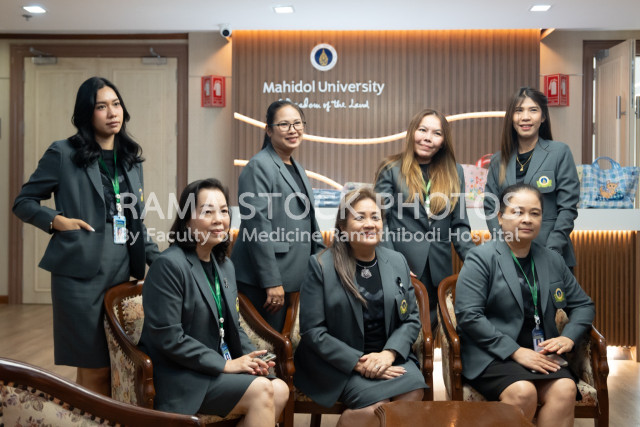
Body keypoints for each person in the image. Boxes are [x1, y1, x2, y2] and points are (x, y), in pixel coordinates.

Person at [13, 76, 160, 395]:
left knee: (114, 365)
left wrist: (162, 261)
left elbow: (135, 223)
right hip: (79, 278)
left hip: (120, 274)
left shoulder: (131, 159)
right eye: (101, 106)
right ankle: (90, 416)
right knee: (95, 367)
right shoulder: (63, 153)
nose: (112, 112)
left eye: (116, 104)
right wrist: (57, 221)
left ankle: (95, 416)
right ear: (86, 113)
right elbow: (23, 202)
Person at [139, 179, 289, 425]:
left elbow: (233, 326)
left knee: (280, 388)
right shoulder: (168, 265)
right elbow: (168, 337)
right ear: (187, 221)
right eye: (208, 212)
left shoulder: (225, 265)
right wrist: (224, 365)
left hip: (215, 370)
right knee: (263, 390)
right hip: (181, 375)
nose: (219, 219)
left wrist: (252, 359)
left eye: (224, 211)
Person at [455, 183, 595, 427]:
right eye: (518, 212)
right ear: (500, 217)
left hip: (540, 354)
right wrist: (515, 351)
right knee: (523, 391)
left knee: (565, 388)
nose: (527, 219)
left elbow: (583, 305)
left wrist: (568, 337)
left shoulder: (552, 259)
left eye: (535, 213)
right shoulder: (481, 258)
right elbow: (469, 316)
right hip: (493, 354)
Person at [294, 188, 426, 427]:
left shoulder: (397, 261)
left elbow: (411, 319)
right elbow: (313, 331)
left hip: (388, 357)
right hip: (339, 364)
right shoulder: (321, 265)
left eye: (375, 217)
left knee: (414, 391)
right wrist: (359, 362)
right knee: (378, 405)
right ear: (343, 227)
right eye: (360, 217)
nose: (369, 224)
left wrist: (388, 354)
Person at [374, 109, 474, 330]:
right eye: (422, 130)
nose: (428, 138)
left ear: (443, 141)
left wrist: (478, 263)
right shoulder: (391, 168)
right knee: (403, 329)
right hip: (402, 269)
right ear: (412, 132)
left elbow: (459, 226)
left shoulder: (455, 171)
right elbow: (380, 222)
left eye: (436, 133)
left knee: (435, 333)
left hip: (439, 271)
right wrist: (394, 264)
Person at [231, 100, 325, 332]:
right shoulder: (259, 166)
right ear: (269, 130)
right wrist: (271, 281)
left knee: (288, 343)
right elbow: (257, 227)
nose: (293, 130)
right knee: (267, 344)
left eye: (297, 123)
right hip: (264, 282)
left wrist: (322, 262)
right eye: (284, 124)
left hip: (293, 276)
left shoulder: (296, 166)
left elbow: (309, 221)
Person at [484, 87, 580, 269]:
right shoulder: (498, 160)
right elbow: (491, 207)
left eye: (533, 110)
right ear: (511, 117)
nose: (525, 117)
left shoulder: (559, 153)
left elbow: (567, 208)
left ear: (543, 117)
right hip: (508, 257)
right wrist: (501, 245)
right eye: (519, 110)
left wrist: (552, 248)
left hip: (551, 253)